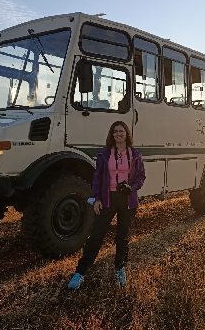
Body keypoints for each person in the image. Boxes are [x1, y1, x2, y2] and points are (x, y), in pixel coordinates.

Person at [68, 121, 146, 289]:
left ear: (127, 133)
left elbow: (141, 177)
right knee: (96, 235)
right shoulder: (104, 154)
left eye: (121, 131)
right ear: (112, 135)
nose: (118, 134)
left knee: (123, 236)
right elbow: (97, 177)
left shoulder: (135, 154)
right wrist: (97, 198)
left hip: (127, 199)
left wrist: (131, 187)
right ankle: (80, 272)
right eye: (115, 131)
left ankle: (120, 269)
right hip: (107, 198)